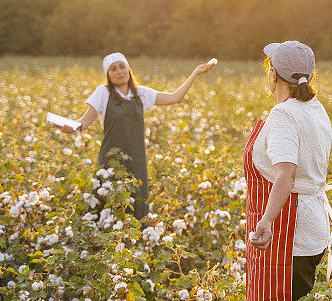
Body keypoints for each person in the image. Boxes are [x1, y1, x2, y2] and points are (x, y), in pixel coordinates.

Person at [244, 40, 332, 301]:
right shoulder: (314, 108)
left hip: (289, 228)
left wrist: (265, 220)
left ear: (273, 74)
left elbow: (286, 173)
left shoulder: (283, 115)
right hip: (311, 221)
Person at [59, 52, 217, 219]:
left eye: (122, 67)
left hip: (136, 160)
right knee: (106, 202)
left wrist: (195, 73)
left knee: (137, 205)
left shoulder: (140, 94)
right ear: (107, 74)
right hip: (111, 160)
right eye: (113, 69)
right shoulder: (102, 93)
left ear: (128, 69)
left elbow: (175, 97)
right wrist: (70, 127)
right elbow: (83, 123)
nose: (119, 71)